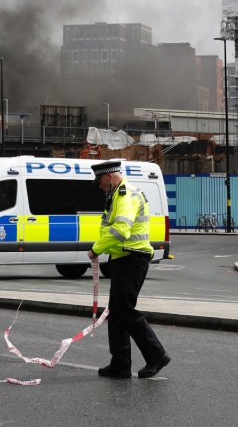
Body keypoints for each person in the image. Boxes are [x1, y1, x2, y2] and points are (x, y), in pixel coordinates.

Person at [88, 158, 171, 380]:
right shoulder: (116, 195)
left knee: (124, 311)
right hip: (123, 258)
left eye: (99, 181)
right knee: (116, 314)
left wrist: (96, 249)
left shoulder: (125, 195)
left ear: (108, 177)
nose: (99, 186)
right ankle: (120, 365)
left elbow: (121, 230)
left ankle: (156, 355)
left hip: (133, 259)